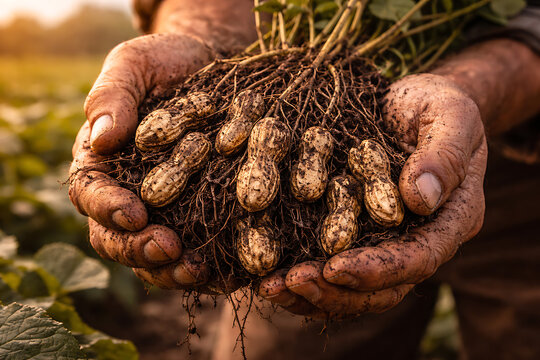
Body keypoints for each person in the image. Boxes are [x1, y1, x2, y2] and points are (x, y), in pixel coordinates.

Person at [68, 0, 540, 358]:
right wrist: (202, 28)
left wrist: (476, 85)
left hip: (517, 169)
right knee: (297, 311)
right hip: (338, 153)